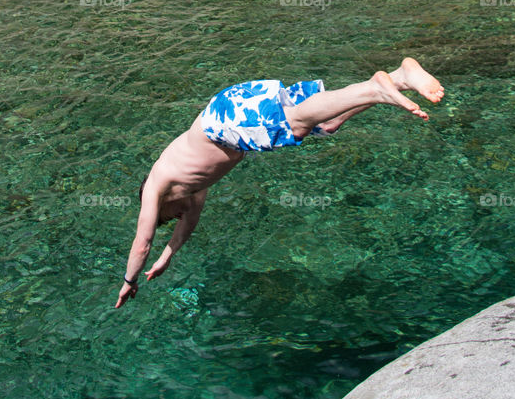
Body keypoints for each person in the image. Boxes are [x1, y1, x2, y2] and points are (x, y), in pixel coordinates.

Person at [115, 58, 444, 308]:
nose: (172, 219)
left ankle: (376, 87)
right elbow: (187, 227)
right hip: (228, 114)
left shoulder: (156, 187)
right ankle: (401, 77)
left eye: (166, 218)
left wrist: (129, 280)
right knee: (326, 123)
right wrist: (166, 258)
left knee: (297, 125)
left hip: (225, 120)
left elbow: (141, 242)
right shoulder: (193, 187)